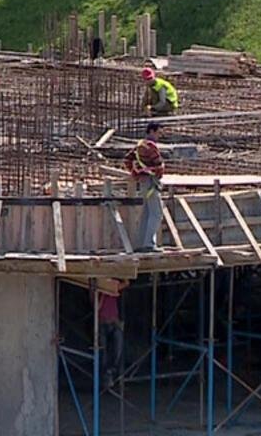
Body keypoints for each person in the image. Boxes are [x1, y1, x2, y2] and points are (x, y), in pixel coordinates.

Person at [124, 122, 165, 251]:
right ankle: (149, 244)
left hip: (142, 182)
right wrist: (158, 174)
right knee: (157, 213)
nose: (159, 136)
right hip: (151, 183)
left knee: (147, 213)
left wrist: (135, 173)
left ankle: (142, 244)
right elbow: (159, 165)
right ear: (151, 131)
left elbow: (127, 159)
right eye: (158, 132)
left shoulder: (139, 145)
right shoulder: (151, 146)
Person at [97, 279, 128, 389]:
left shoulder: (112, 286)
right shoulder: (96, 291)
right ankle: (105, 376)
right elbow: (96, 307)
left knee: (118, 348)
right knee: (102, 353)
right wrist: (102, 293)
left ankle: (112, 371)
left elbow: (126, 283)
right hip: (102, 324)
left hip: (114, 322)